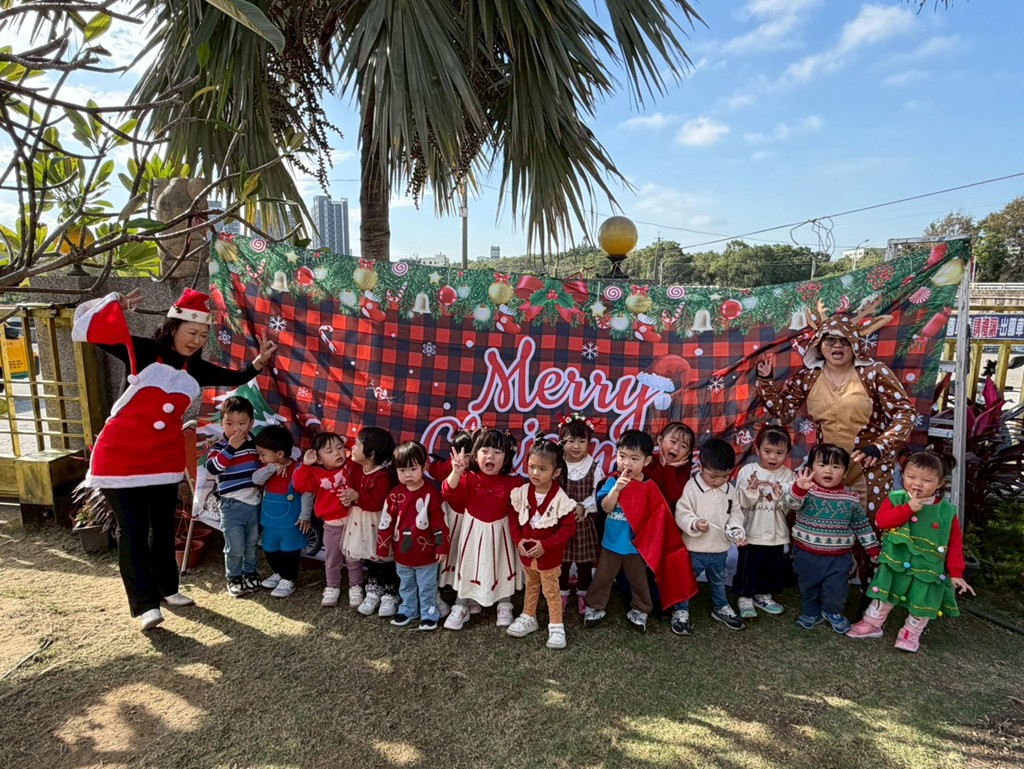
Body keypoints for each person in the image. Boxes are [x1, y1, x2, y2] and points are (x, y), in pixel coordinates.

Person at [71, 288, 275, 632]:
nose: (196, 341)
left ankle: (168, 588)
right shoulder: (142, 350)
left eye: (203, 336)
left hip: (163, 459)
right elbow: (89, 331)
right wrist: (115, 306)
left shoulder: (195, 368)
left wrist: (258, 363)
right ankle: (145, 605)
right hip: (120, 458)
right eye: (191, 332)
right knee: (133, 531)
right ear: (172, 327)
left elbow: (235, 378)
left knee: (163, 528)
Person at [755, 300, 917, 561]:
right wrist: (765, 381)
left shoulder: (874, 373)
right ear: (819, 344)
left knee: (871, 529)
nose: (837, 347)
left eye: (844, 341)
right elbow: (783, 411)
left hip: (868, 467)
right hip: (825, 467)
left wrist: (880, 446)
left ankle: (872, 582)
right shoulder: (809, 376)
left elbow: (905, 413)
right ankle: (813, 574)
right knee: (806, 518)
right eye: (830, 340)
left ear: (855, 344)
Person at [847, 450, 975, 652]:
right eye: (911, 477)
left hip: (927, 567)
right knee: (884, 594)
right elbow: (881, 522)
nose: (917, 484)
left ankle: (911, 633)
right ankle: (872, 623)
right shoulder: (896, 498)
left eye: (927, 480)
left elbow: (954, 543)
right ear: (902, 475)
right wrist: (908, 509)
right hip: (896, 562)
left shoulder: (946, 511)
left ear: (940, 483)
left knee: (922, 601)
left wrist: (957, 573)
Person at [584, 430, 698, 633]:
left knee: (639, 581)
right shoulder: (612, 481)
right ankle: (595, 607)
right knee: (603, 577)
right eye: (622, 456)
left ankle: (640, 610)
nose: (627, 463)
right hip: (610, 544)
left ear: (646, 461)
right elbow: (606, 507)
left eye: (634, 459)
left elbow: (656, 520)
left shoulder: (649, 487)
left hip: (636, 548)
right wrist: (616, 489)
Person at [785, 444, 880, 634]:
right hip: (806, 554)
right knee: (808, 586)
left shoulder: (850, 497)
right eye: (822, 465)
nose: (828, 470)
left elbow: (861, 524)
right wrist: (799, 488)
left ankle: (833, 612)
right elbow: (790, 504)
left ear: (845, 473)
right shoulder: (805, 491)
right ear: (811, 468)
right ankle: (811, 612)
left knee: (837, 588)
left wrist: (871, 547)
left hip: (839, 557)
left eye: (836, 467)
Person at [441, 428, 523, 630]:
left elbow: (520, 511)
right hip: (473, 533)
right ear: (475, 455)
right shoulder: (468, 478)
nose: (490, 456)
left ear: (506, 457)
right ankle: (462, 604)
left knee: (502, 566)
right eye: (485, 451)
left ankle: (504, 603)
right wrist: (456, 472)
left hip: (502, 535)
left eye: (497, 452)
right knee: (468, 566)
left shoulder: (514, 482)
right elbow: (448, 493)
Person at [672, 438, 747, 635]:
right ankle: (681, 611)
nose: (718, 481)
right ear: (700, 466)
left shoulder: (730, 490)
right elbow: (682, 511)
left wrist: (736, 531)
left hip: (720, 549)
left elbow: (735, 514)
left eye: (725, 476)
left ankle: (721, 607)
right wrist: (694, 523)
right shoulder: (691, 487)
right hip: (694, 549)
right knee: (685, 581)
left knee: (718, 581)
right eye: (713, 476)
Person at [507, 440, 578, 650]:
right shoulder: (522, 492)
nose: (535, 473)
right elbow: (513, 518)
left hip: (549, 558)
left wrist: (545, 545)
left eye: (542, 469)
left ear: (556, 472)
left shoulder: (560, 498)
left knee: (551, 591)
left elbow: (568, 528)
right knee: (531, 585)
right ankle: (528, 616)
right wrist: (518, 540)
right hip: (527, 555)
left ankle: (556, 626)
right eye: (531, 467)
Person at [377, 442, 449, 631]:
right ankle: (408, 609)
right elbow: (386, 522)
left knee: (427, 587)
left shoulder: (432, 495)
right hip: (402, 553)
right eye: (402, 470)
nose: (407, 475)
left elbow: (440, 524)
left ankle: (429, 613)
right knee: (406, 584)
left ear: (424, 467)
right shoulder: (394, 495)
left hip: (427, 555)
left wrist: (441, 546)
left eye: (413, 469)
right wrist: (382, 548)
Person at [733, 425, 799, 619]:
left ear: (787, 453)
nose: (772, 457)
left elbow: (791, 506)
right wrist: (752, 490)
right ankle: (745, 597)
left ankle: (762, 595)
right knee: (748, 567)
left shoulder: (788, 475)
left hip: (776, 532)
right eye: (767, 451)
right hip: (751, 531)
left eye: (779, 453)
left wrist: (781, 496)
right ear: (757, 449)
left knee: (771, 567)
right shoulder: (748, 471)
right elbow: (741, 502)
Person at [293, 432, 364, 608]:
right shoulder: (315, 473)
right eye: (329, 451)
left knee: (353, 557)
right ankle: (332, 586)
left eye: (339, 448)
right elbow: (299, 485)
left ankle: (356, 586)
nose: (337, 453)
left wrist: (348, 443)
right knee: (332, 558)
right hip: (331, 524)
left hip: (353, 521)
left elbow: (361, 455)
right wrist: (305, 465)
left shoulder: (351, 466)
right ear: (318, 458)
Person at [206, 396, 263, 597]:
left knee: (251, 542)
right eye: (229, 423)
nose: (235, 429)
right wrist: (230, 448)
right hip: (231, 506)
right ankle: (234, 577)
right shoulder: (219, 447)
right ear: (221, 423)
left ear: (251, 423)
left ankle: (250, 573)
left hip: (254, 503)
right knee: (235, 546)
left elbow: (264, 464)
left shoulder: (255, 446)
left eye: (242, 423)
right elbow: (213, 468)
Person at [341, 427, 399, 618]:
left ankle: (390, 593)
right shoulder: (357, 466)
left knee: (382, 557)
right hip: (359, 519)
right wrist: (349, 498)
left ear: (372, 454)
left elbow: (377, 503)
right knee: (370, 556)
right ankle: (373, 590)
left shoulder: (382, 475)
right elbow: (351, 483)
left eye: (357, 444)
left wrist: (357, 497)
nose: (353, 447)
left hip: (377, 522)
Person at [253, 425, 313, 599]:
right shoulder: (267, 468)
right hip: (269, 522)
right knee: (269, 549)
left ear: (280, 453)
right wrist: (271, 468)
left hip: (291, 523)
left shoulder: (298, 469)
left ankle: (289, 578)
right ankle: (278, 573)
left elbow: (307, 494)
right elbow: (255, 479)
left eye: (263, 454)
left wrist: (305, 516)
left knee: (289, 551)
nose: (260, 458)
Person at [557, 413, 604, 616]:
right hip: (561, 522)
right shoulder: (557, 465)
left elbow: (599, 494)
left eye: (581, 441)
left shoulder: (594, 467)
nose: (576, 446)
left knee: (584, 562)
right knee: (562, 561)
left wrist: (584, 506)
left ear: (589, 443)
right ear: (562, 441)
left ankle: (584, 593)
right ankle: (561, 592)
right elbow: (552, 491)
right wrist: (569, 506)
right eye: (571, 441)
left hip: (584, 523)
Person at [645, 421, 695, 510]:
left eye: (683, 446)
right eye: (673, 441)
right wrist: (661, 466)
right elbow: (647, 489)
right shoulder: (648, 460)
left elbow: (673, 496)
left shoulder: (685, 468)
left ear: (688, 452)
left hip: (669, 515)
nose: (676, 448)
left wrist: (670, 468)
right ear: (660, 440)